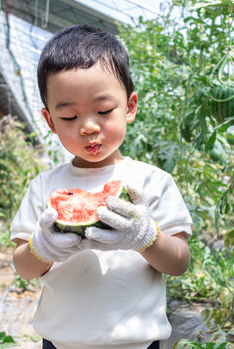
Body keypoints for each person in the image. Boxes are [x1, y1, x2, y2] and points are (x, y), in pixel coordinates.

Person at [10, 24, 193, 349]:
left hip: (137, 343)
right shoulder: (43, 186)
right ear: (50, 121)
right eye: (69, 117)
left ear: (130, 106)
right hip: (60, 342)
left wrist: (145, 237)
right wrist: (42, 248)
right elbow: (24, 267)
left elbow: (178, 262)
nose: (89, 126)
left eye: (104, 111)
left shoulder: (153, 182)